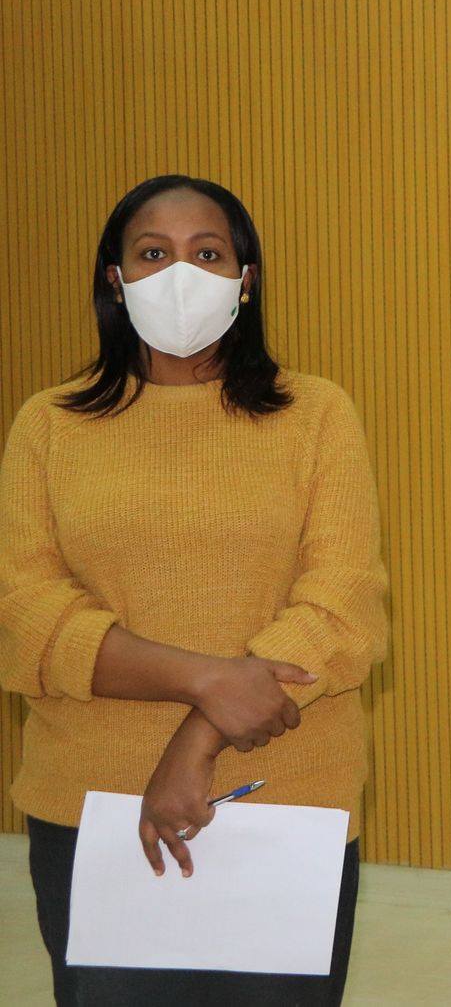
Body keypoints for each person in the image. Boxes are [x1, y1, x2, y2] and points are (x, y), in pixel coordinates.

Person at [0, 175, 388, 1005]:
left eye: (208, 253)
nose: (181, 273)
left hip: (286, 797)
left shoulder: (317, 414)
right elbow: (26, 615)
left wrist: (198, 738)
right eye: (153, 253)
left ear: (246, 279)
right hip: (91, 807)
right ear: (115, 279)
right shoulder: (47, 425)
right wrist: (208, 680)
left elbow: (341, 605)